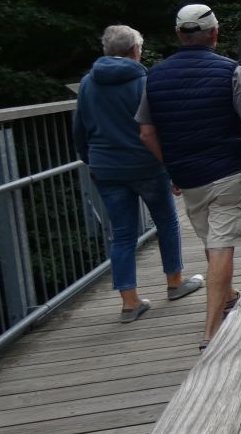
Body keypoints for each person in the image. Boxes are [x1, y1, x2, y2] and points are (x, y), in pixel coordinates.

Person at [136, 4, 241, 350]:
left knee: (213, 242)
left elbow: (146, 134)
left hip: (189, 177)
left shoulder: (155, 76)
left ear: (178, 34)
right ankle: (212, 330)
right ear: (214, 33)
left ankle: (230, 292)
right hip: (230, 171)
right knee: (221, 245)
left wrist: (172, 167)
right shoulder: (231, 72)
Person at [73, 25, 202, 323]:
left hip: (106, 167)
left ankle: (130, 303)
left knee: (122, 235)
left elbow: (79, 130)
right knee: (167, 222)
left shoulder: (88, 84)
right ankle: (174, 283)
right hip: (147, 165)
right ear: (135, 51)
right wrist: (174, 167)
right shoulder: (145, 81)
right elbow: (161, 128)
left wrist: (90, 162)